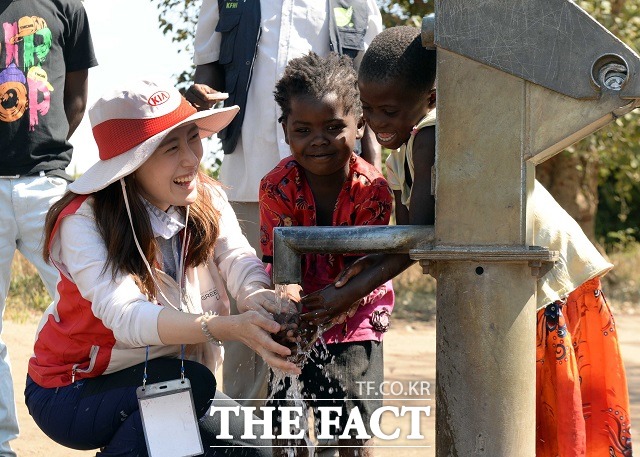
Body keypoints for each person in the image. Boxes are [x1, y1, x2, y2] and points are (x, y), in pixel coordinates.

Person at [302, 26, 633, 457]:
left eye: (388, 110)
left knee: (551, 404)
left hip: (548, 277)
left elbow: (417, 234)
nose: (375, 123)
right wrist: (369, 262)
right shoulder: (406, 145)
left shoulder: (431, 135)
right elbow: (406, 236)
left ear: (430, 100)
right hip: (526, 277)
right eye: (368, 109)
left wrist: (351, 291)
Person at [24, 79, 301, 456]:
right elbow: (126, 316)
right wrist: (221, 327)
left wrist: (260, 299)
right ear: (130, 164)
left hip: (168, 380)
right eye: (171, 147)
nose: (191, 158)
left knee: (257, 447)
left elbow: (237, 258)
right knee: (192, 386)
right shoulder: (84, 222)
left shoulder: (204, 196)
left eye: (193, 138)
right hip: (73, 389)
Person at [185, 0, 384, 409]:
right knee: (259, 323)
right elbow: (208, 66)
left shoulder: (357, 3)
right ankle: (248, 443)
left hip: (342, 183)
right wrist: (198, 101)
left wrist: (374, 161)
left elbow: (368, 84)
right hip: (251, 185)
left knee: (341, 345)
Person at [259, 52, 394, 457]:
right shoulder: (276, 188)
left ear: (359, 125)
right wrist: (292, 313)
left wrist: (331, 305)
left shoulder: (372, 192)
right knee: (286, 428)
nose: (319, 140)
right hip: (294, 319)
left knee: (350, 433)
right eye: (303, 129)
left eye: (334, 127)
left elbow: (367, 271)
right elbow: (279, 267)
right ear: (285, 130)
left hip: (355, 320)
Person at [0, 1, 97, 454]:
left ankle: (111, 422)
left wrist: (45, 155)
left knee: (97, 300)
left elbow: (75, 99)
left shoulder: (65, 6)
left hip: (47, 184)